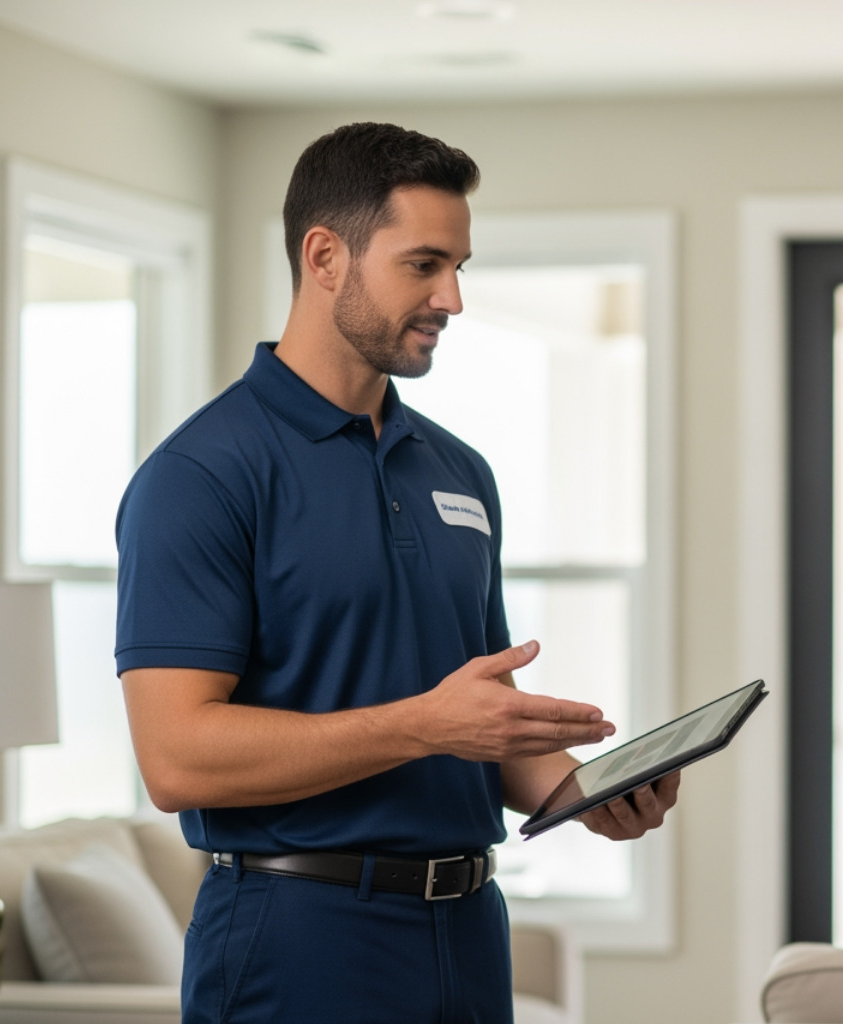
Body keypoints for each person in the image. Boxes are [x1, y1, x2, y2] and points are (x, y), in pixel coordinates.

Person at [114, 122, 678, 1023]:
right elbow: (177, 758)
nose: (452, 296)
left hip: (468, 932)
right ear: (325, 255)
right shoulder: (201, 476)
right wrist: (424, 726)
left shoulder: (460, 473)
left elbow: (475, 719)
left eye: (458, 265)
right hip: (298, 935)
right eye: (423, 264)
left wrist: (581, 791)